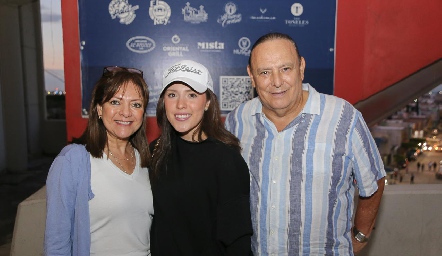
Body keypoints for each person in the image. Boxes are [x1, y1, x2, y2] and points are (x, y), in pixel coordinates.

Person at [225, 32, 386, 255]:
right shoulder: (237, 121)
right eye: (264, 72)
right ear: (251, 76)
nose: (277, 82)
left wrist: (359, 236)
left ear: (301, 67)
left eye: (285, 69)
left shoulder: (343, 118)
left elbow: (374, 180)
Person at [45, 67, 154, 255]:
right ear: (99, 109)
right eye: (115, 102)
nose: (126, 112)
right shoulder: (73, 161)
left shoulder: (146, 160)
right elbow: (56, 243)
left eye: (136, 104)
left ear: (143, 113)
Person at [149, 60, 253, 255]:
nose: (181, 104)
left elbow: (238, 240)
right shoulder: (154, 151)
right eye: (172, 95)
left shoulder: (226, 159)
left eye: (192, 95)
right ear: (164, 102)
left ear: (207, 103)